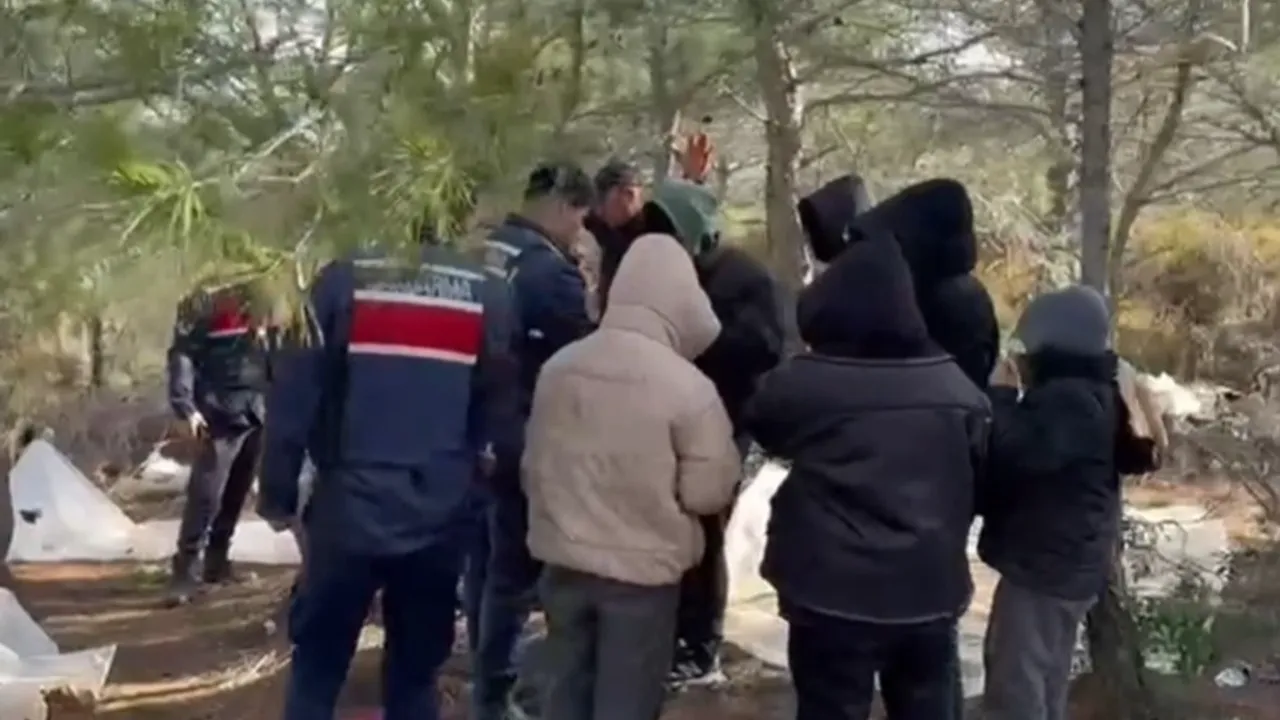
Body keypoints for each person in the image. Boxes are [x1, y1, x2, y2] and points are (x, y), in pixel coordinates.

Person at [258, 221, 520, 720]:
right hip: (439, 516)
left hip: (348, 513)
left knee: (317, 669)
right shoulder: (487, 292)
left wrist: (277, 494)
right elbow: (499, 414)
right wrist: (479, 494)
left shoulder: (342, 279)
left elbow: (294, 398)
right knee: (415, 676)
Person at [746, 236, 991, 720]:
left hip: (828, 591)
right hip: (928, 590)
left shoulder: (806, 384)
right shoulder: (958, 390)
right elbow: (980, 479)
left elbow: (763, 423)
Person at [524, 232, 742, 720]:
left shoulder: (559, 369)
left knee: (565, 695)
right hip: (643, 579)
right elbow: (707, 493)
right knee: (626, 703)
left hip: (562, 564)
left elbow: (533, 463)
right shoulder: (688, 389)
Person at [979, 286, 1159, 720]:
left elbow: (1016, 454)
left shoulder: (1068, 400)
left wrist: (1000, 397)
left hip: (1045, 565)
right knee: (1046, 677)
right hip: (1071, 561)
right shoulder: (1102, 389)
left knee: (1016, 685)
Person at [638, 179, 785, 685]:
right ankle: (669, 629)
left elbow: (765, 349)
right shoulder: (670, 277)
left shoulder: (744, 279)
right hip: (669, 417)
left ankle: (700, 643)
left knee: (705, 529)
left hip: (727, 419)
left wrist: (701, 338)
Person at [476, 161, 597, 720]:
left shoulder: (488, 250)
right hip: (529, 435)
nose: (580, 229)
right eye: (579, 216)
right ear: (561, 205)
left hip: (480, 431)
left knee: (487, 565)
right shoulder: (550, 274)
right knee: (520, 576)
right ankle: (499, 693)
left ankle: (487, 680)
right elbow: (583, 356)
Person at [165, 284, 270, 606]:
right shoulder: (202, 300)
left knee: (238, 490)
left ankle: (217, 561)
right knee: (207, 494)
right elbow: (182, 355)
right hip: (217, 413)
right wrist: (185, 407)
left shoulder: (264, 291)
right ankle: (185, 571)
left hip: (256, 409)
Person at [584, 159, 646, 304]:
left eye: (603, 200)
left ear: (629, 195)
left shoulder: (654, 235)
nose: (599, 211)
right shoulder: (602, 226)